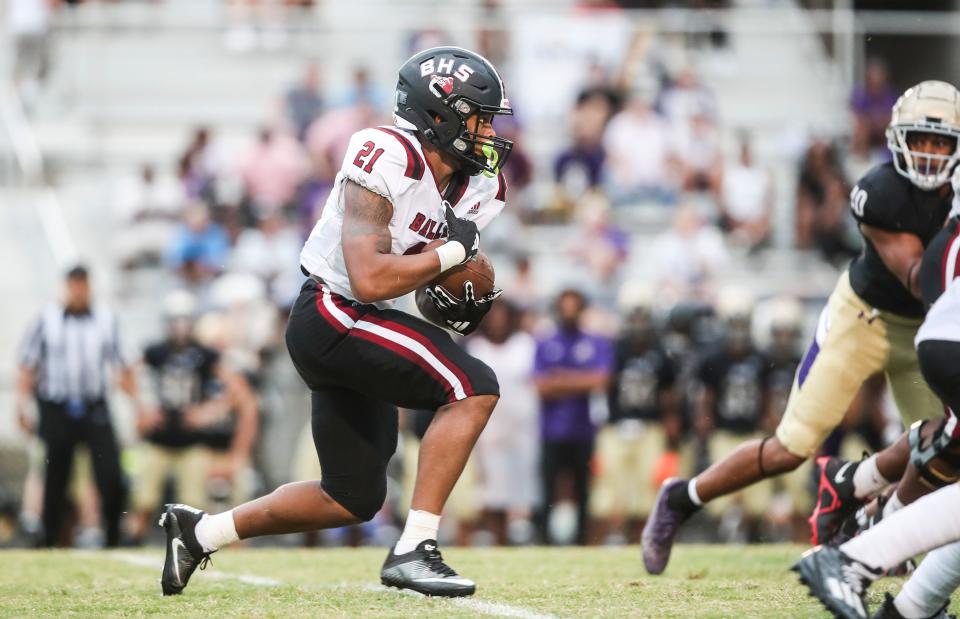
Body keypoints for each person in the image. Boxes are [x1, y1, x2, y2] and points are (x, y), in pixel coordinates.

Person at [157, 46, 513, 599]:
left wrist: (457, 289)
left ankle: (201, 532)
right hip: (332, 311)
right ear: (438, 115)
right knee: (473, 387)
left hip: (360, 317)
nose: (487, 132)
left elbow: (422, 281)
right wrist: (449, 256)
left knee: (350, 496)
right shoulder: (387, 151)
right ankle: (417, 546)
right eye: (478, 116)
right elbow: (369, 278)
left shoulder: (478, 186)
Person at [642, 80, 960, 575]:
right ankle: (683, 498)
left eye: (941, 143)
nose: (929, 153)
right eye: (920, 140)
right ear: (899, 139)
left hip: (930, 330)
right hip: (867, 318)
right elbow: (922, 277)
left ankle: (864, 506)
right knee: (793, 445)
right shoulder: (879, 193)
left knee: (943, 452)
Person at [16, 265, 144, 547]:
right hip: (56, 408)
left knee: (110, 472)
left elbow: (125, 366)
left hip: (94, 407)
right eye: (74, 285)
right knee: (55, 476)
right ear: (67, 287)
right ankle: (49, 540)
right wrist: (22, 406)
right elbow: (27, 365)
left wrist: (140, 405)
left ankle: (112, 536)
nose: (79, 291)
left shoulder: (106, 319)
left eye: (83, 285)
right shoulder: (45, 320)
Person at [129, 291, 257, 543]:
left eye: (185, 320)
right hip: (159, 439)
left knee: (194, 506)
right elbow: (127, 374)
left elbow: (241, 394)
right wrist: (143, 406)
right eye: (175, 320)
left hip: (192, 442)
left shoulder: (204, 355)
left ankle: (191, 549)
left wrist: (211, 410)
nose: (180, 327)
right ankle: (133, 542)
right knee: (144, 500)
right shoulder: (155, 351)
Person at [592, 301, 678, 544]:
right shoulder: (615, 349)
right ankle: (602, 543)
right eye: (635, 318)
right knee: (609, 489)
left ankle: (640, 542)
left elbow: (668, 393)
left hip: (650, 426)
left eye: (643, 318)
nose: (639, 325)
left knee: (646, 491)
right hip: (616, 425)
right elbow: (602, 382)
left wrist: (671, 422)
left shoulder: (661, 352)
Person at [533, 289, 613, 545]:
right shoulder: (546, 342)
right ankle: (544, 539)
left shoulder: (595, 342)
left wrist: (561, 379)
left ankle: (582, 540)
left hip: (582, 429)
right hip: (552, 429)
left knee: (583, 488)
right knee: (548, 488)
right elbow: (541, 386)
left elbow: (601, 380)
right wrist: (580, 380)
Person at [466, 300, 538, 546]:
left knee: (520, 489)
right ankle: (493, 536)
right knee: (490, 489)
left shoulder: (525, 345)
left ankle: (517, 538)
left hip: (522, 429)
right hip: (488, 428)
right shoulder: (476, 347)